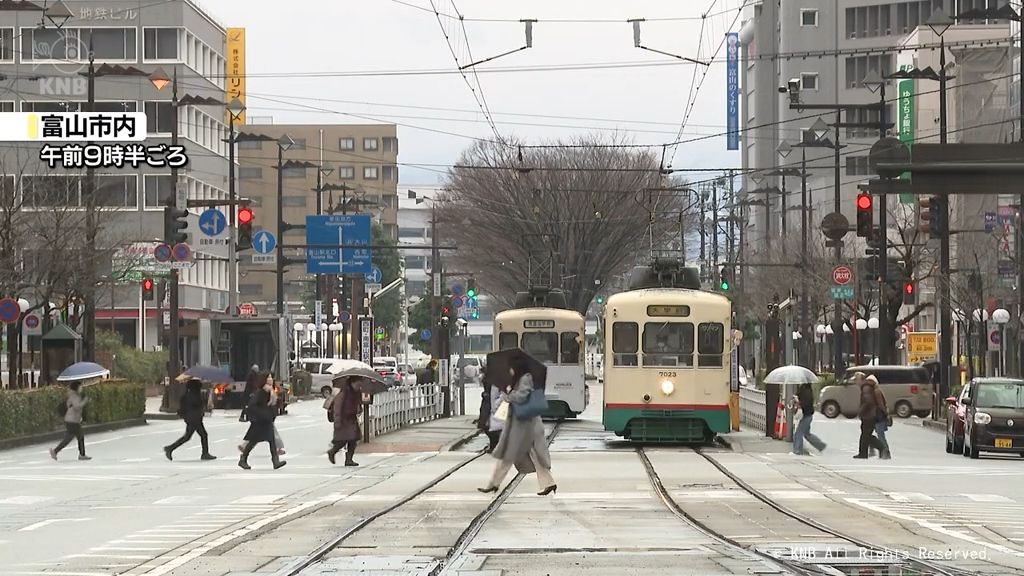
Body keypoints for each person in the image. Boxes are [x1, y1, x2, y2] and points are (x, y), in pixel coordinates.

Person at [478, 358, 556, 495]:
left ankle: (494, 484)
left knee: (524, 455)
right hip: (520, 423)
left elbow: (521, 397)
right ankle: (494, 484)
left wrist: (508, 395)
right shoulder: (517, 379)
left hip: (527, 424)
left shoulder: (525, 378)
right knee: (516, 455)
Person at [238, 371, 286, 470]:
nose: (271, 379)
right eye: (268, 378)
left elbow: (273, 405)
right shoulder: (260, 392)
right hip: (259, 421)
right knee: (252, 441)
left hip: (266, 421)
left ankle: (275, 461)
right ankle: (243, 459)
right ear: (264, 380)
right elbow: (252, 406)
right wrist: (263, 414)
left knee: (271, 441)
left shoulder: (270, 391)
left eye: (271, 378)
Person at [164, 379, 216, 461]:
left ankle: (170, 448)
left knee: (188, 436)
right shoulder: (194, 395)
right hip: (195, 419)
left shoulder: (187, 395)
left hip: (191, 418)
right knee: (203, 435)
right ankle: (205, 453)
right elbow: (198, 405)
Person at [50, 381, 91, 461]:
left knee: (74, 437)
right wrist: (84, 401)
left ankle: (56, 451)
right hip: (72, 420)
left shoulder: (74, 395)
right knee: (74, 437)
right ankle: (56, 451)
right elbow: (77, 407)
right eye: (80, 387)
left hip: (72, 420)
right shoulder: (74, 396)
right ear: (77, 388)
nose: (81, 388)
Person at [325, 377, 362, 466]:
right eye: (358, 384)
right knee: (343, 439)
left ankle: (349, 459)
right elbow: (337, 407)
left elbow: (357, 405)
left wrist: (359, 409)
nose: (359, 386)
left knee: (353, 439)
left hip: (352, 418)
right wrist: (337, 421)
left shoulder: (356, 393)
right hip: (344, 419)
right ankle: (332, 451)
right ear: (353, 383)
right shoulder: (343, 393)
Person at [854, 372, 887, 459]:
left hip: (869, 414)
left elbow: (868, 401)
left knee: (866, 435)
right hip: (870, 414)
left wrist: (861, 411)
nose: (855, 382)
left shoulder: (866, 387)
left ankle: (881, 448)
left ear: (861, 379)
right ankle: (863, 453)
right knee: (865, 434)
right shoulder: (867, 386)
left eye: (856, 380)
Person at [791, 382, 826, 456]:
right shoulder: (806, 389)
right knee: (807, 434)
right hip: (808, 414)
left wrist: (798, 401)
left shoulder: (806, 391)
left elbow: (805, 403)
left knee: (798, 433)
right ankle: (821, 445)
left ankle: (797, 450)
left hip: (806, 415)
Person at [867, 375, 892, 459]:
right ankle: (874, 450)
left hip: (878, 416)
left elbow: (881, 404)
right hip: (875, 415)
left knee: (880, 434)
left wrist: (885, 413)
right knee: (870, 433)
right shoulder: (873, 391)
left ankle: (885, 451)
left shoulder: (876, 391)